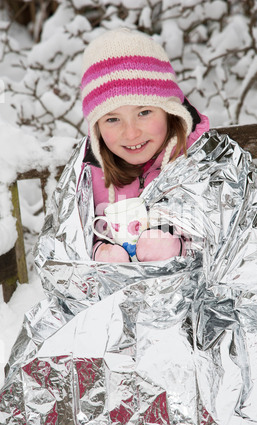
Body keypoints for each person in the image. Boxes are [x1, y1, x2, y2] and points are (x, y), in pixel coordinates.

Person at [80, 28, 209, 263]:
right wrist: (101, 252)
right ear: (96, 127)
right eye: (112, 119)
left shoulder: (199, 162)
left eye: (144, 112)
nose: (131, 133)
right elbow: (74, 243)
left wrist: (178, 247)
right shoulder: (90, 176)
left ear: (170, 112)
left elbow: (223, 235)